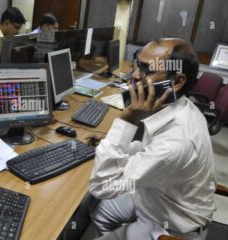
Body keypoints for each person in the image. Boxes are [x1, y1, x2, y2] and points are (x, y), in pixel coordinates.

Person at [89, 38, 215, 240]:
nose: (135, 75)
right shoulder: (176, 105)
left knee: (98, 197)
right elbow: (148, 147)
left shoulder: (176, 141)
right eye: (137, 65)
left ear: (176, 82)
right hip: (154, 196)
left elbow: (101, 187)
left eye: (147, 70)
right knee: (101, 212)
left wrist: (127, 120)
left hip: (170, 226)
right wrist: (119, 144)